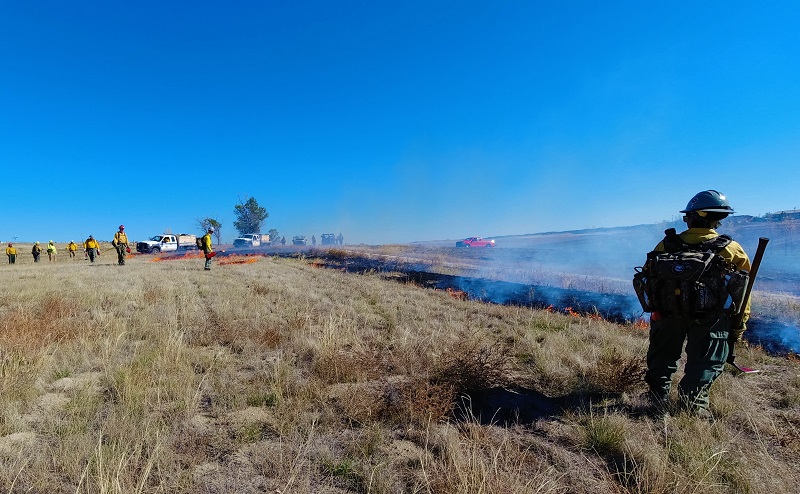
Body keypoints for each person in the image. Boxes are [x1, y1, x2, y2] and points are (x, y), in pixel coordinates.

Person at [643, 190, 751, 420]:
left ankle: (656, 400)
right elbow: (743, 294)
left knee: (661, 358)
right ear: (717, 220)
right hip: (711, 321)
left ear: (691, 217)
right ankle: (693, 409)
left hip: (667, 316)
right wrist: (738, 326)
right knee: (705, 364)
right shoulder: (731, 249)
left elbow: (647, 277)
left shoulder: (667, 243)